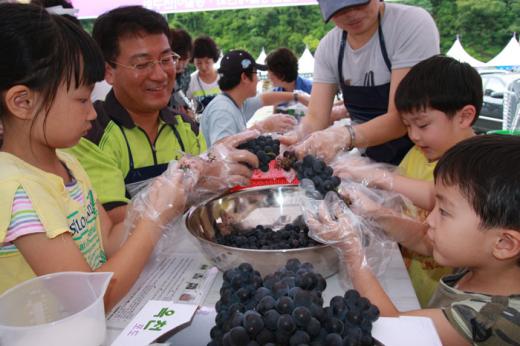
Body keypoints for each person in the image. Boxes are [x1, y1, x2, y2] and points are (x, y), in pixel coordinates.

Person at [0, 3, 259, 309]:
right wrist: (154, 218)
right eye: (82, 99)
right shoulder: (17, 189)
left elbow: (108, 240)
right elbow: (89, 300)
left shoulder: (66, 164)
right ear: (22, 101)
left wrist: (163, 194)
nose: (90, 111)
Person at [306, 134, 520, 345]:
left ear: (504, 244)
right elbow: (422, 240)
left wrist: (353, 253)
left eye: (444, 211)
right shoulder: (483, 261)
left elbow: (396, 332)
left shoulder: (493, 320)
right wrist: (376, 213)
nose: (430, 220)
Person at [333, 55, 483, 307]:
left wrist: (377, 176)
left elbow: (432, 194)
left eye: (423, 125)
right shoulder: (417, 154)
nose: (414, 135)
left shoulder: (481, 169)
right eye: (407, 126)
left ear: (465, 116)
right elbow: (401, 206)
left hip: (449, 304)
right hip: (413, 289)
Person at [67, 6, 207, 225]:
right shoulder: (90, 134)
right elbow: (114, 220)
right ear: (108, 71)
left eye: (166, 59)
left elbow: (206, 195)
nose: (160, 75)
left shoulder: (187, 127)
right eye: (142, 64)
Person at [286, 0, 440, 165]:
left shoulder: (411, 24)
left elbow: (402, 117)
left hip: (427, 160)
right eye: (339, 10)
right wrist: (298, 136)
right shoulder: (328, 47)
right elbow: (316, 117)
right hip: (373, 160)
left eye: (358, 4)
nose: (350, 14)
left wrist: (344, 136)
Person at [199, 49, 304, 147]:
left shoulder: (236, 103)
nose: (258, 79)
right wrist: (263, 127)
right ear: (244, 77)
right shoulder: (222, 111)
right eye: (256, 74)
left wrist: (298, 97)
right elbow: (220, 149)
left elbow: (265, 98)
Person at [187, 35, 221, 113]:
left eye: (207, 62)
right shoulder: (190, 81)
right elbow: (186, 106)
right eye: (199, 63)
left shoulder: (224, 78)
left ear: (213, 59)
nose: (203, 67)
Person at [169, 28, 195, 117]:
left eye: (185, 60)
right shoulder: (160, 77)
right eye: (177, 59)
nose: (180, 64)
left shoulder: (186, 75)